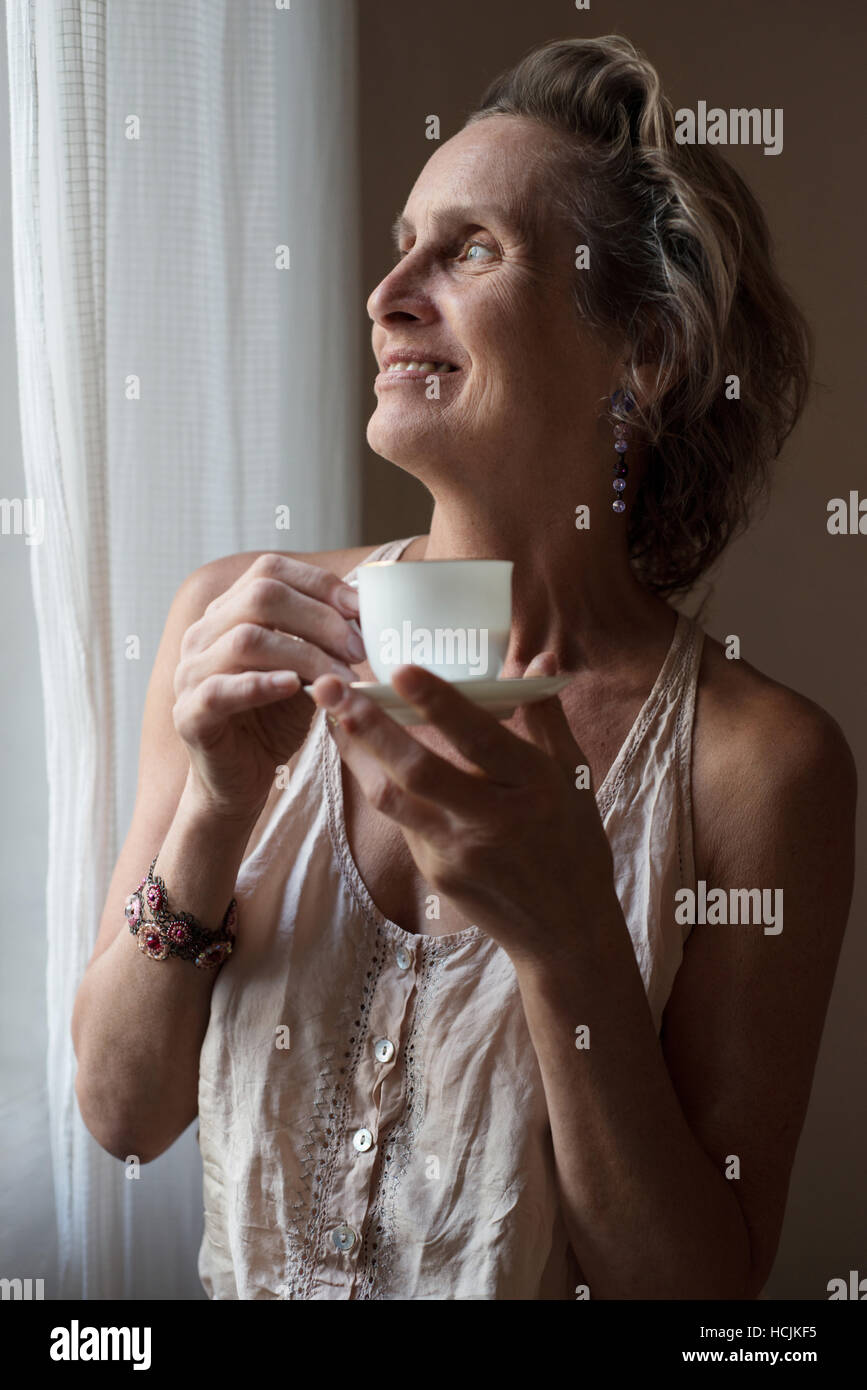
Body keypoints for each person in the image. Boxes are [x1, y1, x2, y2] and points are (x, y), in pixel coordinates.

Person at [72, 35, 855, 1299]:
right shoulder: (231, 623)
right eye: (401, 240)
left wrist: (569, 941)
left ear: (641, 355)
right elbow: (121, 1115)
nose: (386, 292)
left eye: (472, 248)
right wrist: (216, 812)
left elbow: (698, 1298)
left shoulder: (760, 768)